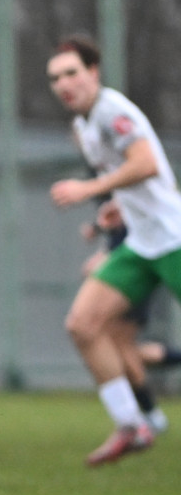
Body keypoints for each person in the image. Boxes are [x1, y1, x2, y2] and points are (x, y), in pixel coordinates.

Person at [48, 33, 181, 465]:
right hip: (142, 243)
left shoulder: (112, 111)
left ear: (93, 72)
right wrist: (118, 207)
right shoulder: (83, 126)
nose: (63, 84)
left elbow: (146, 163)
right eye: (55, 78)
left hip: (173, 238)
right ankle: (132, 424)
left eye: (71, 73)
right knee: (83, 325)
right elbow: (135, 178)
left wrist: (90, 189)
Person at [78, 204, 169, 435]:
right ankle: (144, 417)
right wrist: (98, 228)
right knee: (120, 349)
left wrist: (83, 191)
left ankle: (146, 417)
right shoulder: (120, 199)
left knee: (123, 349)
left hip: (132, 277)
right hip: (131, 271)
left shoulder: (132, 186)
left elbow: (133, 229)